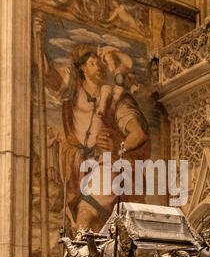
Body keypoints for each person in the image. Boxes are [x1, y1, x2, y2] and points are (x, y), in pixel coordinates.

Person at [33, 18, 151, 233]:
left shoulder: (114, 98)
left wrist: (118, 148)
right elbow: (47, 72)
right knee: (91, 227)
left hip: (103, 165)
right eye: (92, 62)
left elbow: (139, 134)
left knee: (84, 217)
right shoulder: (73, 88)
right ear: (82, 69)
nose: (98, 66)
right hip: (78, 166)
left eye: (99, 62)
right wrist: (38, 41)